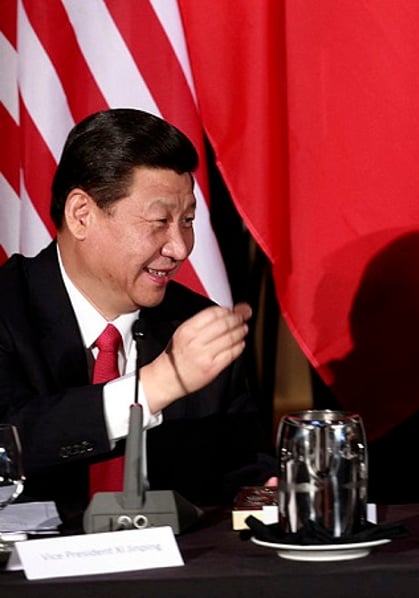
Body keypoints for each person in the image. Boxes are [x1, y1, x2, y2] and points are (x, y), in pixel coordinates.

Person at [0, 108, 269, 526]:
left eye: (187, 221)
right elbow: (10, 443)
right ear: (81, 214)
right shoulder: (8, 307)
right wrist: (155, 385)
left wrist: (272, 495)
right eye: (160, 221)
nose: (180, 248)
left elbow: (243, 473)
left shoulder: (198, 327)